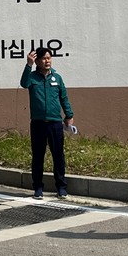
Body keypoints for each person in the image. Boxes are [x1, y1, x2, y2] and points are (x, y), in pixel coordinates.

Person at [20, 47, 74, 199]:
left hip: (55, 123)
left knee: (58, 156)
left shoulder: (57, 78)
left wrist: (69, 115)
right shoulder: (32, 77)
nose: (47, 61)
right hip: (38, 123)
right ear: (37, 61)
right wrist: (28, 65)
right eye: (44, 58)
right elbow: (23, 83)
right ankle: (38, 187)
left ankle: (61, 187)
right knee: (38, 156)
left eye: (49, 58)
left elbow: (64, 97)